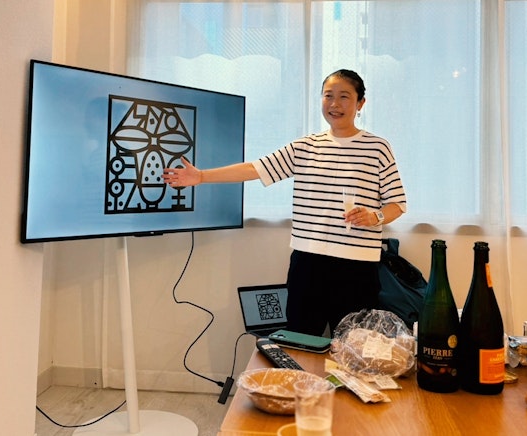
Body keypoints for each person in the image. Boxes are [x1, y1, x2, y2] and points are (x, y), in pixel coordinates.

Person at [163, 69, 406, 336]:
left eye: (344, 97)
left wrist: (375, 217)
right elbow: (256, 168)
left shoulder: (377, 148)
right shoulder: (306, 146)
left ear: (360, 103)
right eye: (328, 96)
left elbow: (397, 204)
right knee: (300, 340)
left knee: (353, 346)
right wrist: (201, 176)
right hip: (308, 262)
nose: (335, 104)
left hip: (357, 266)